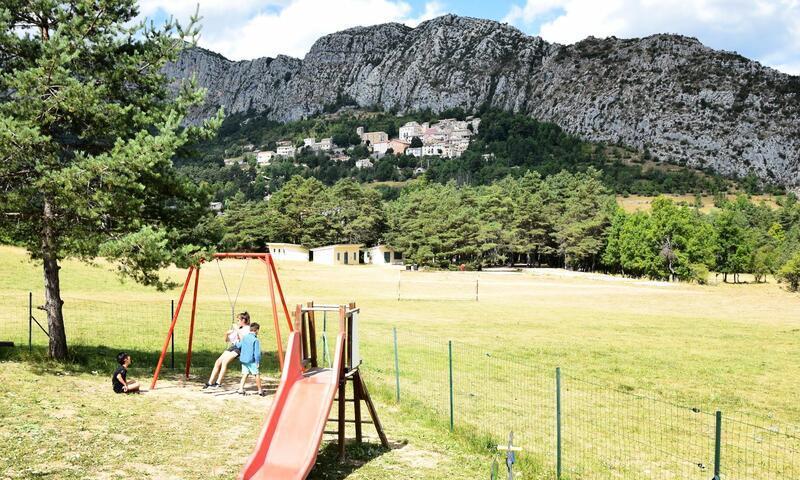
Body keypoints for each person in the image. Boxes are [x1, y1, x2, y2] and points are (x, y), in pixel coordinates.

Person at [204, 311, 251, 389]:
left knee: (225, 361)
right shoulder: (239, 328)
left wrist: (237, 330)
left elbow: (243, 340)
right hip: (233, 346)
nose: (237, 322)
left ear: (243, 320)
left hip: (240, 348)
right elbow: (227, 340)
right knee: (218, 361)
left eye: (238, 320)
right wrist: (226, 334)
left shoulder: (247, 329)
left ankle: (218, 382)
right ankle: (210, 382)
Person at [236, 322, 263, 396]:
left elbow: (238, 345)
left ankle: (240, 389)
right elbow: (257, 353)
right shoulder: (255, 340)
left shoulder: (245, 337)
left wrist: (236, 342)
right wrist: (257, 362)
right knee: (256, 374)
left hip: (244, 360)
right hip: (251, 361)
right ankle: (260, 390)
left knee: (245, 374)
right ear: (256, 330)